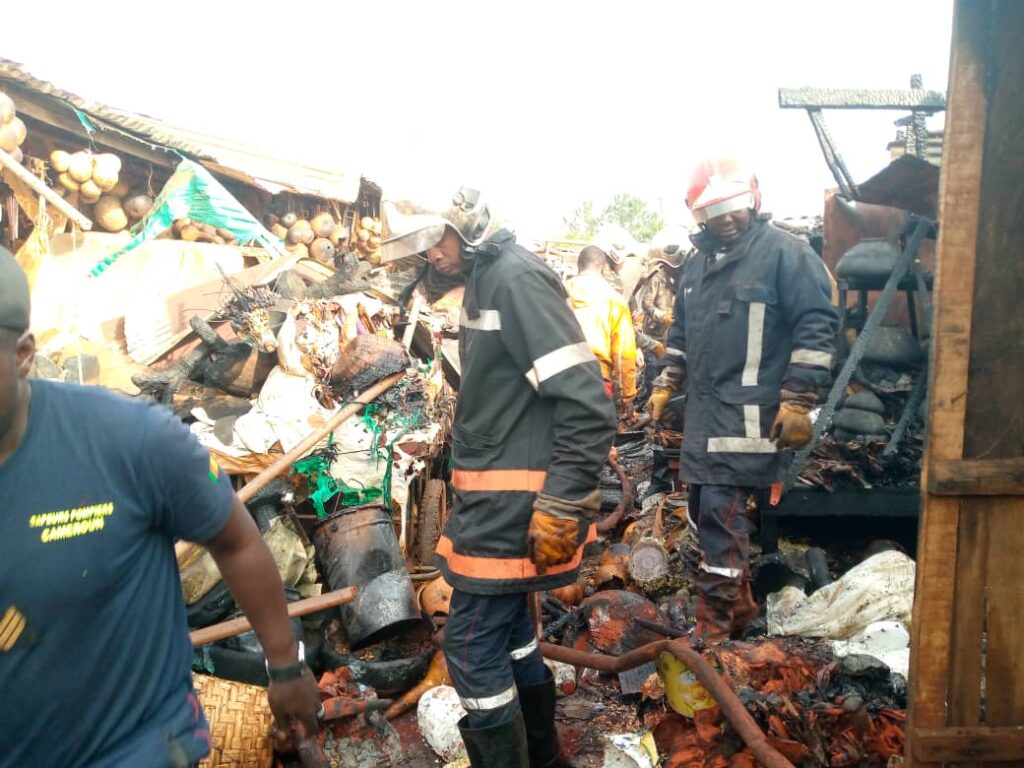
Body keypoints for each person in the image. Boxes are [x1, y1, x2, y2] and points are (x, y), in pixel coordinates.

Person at [0, 248, 321, 767]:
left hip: (137, 749)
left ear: (22, 353)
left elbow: (236, 540)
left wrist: (285, 666)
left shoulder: (127, 439)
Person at [381, 188, 616, 767]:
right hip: (498, 500)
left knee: (468, 641)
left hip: (516, 506)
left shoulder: (513, 278)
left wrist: (561, 502)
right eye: (422, 245)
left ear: (468, 228)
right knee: (512, 634)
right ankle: (545, 758)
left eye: (437, 238)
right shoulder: (488, 279)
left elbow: (587, 401)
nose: (431, 255)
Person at [648, 158, 838, 644]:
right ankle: (744, 607)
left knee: (719, 517)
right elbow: (683, 333)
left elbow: (817, 326)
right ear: (698, 217)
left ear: (752, 199)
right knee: (702, 510)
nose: (726, 217)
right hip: (705, 420)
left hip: (750, 422)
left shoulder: (784, 255)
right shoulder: (697, 267)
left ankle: (713, 628)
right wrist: (668, 380)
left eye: (733, 204)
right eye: (714, 210)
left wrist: (798, 401)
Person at [564, 245, 640, 421]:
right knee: (594, 439)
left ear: (578, 265)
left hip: (559, 379)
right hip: (597, 379)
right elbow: (624, 353)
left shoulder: (559, 291)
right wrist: (627, 397)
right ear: (604, 267)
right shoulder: (614, 300)